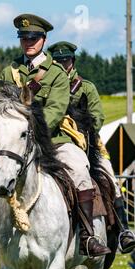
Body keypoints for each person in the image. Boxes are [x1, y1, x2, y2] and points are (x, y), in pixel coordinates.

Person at [0, 13, 110, 257]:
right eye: (24, 38)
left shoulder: (57, 74)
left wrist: (31, 133)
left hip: (54, 141)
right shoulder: (10, 73)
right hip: (14, 144)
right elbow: (0, 108)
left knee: (80, 168)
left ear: (44, 39)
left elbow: (55, 111)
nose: (29, 42)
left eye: (34, 38)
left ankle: (87, 235)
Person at [48, 41, 135, 254]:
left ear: (72, 61)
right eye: (57, 61)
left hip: (87, 141)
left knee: (109, 176)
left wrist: (79, 129)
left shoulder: (85, 87)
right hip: (52, 140)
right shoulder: (46, 85)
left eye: (65, 60)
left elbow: (98, 118)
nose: (62, 64)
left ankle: (123, 231)